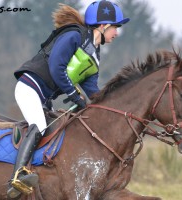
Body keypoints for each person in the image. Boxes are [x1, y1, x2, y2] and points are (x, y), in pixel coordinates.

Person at [7, 0, 129, 198]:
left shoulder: (94, 54)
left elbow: (92, 92)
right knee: (39, 125)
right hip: (29, 87)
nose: (117, 33)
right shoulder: (74, 36)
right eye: (116, 27)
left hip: (44, 97)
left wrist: (111, 108)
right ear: (102, 25)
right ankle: (17, 176)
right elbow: (56, 67)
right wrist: (74, 95)